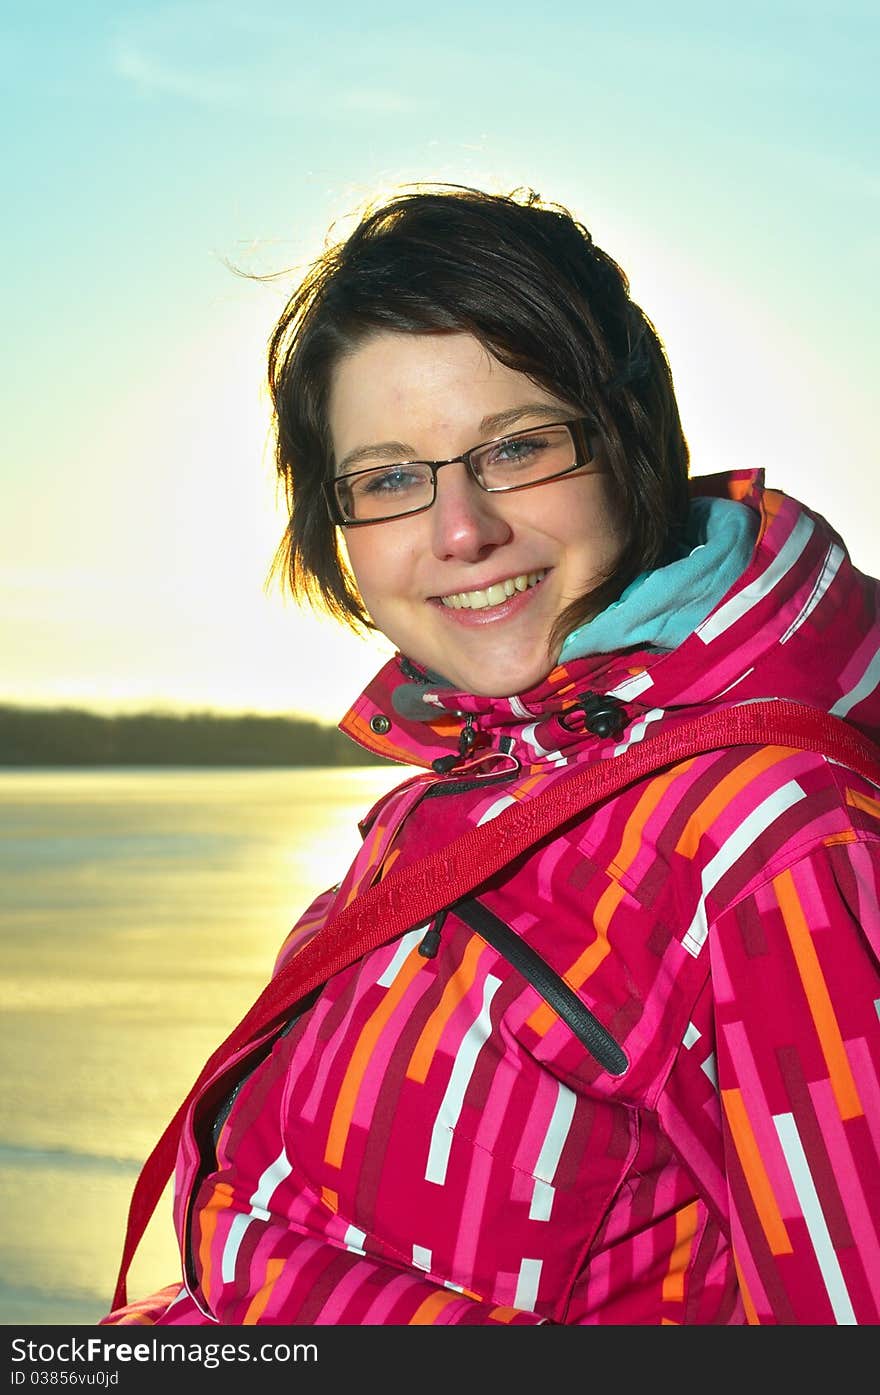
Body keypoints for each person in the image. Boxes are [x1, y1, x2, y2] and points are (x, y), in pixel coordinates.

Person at [100, 184, 880, 1327]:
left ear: (631, 440)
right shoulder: (457, 790)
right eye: (387, 477)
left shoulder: (771, 841)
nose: (461, 529)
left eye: (515, 448)